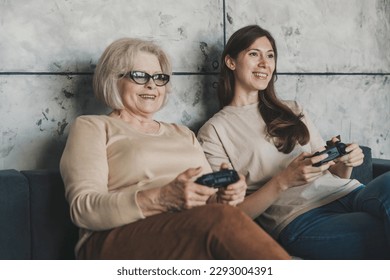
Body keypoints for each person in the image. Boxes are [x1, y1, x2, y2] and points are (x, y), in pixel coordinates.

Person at [59, 37, 290, 260]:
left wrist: (224, 194)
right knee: (223, 219)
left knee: (224, 216)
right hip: (114, 238)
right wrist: (161, 198)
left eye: (159, 77)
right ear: (112, 79)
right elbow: (83, 209)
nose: (151, 84)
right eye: (139, 76)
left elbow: (208, 203)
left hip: (186, 231)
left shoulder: (182, 133)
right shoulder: (93, 126)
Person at [197, 25, 390, 260]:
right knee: (378, 230)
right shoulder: (214, 131)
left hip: (350, 193)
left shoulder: (293, 109)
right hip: (301, 219)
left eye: (270, 56)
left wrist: (346, 161)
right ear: (231, 62)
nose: (264, 63)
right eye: (254, 54)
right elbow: (228, 215)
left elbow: (337, 175)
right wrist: (283, 180)